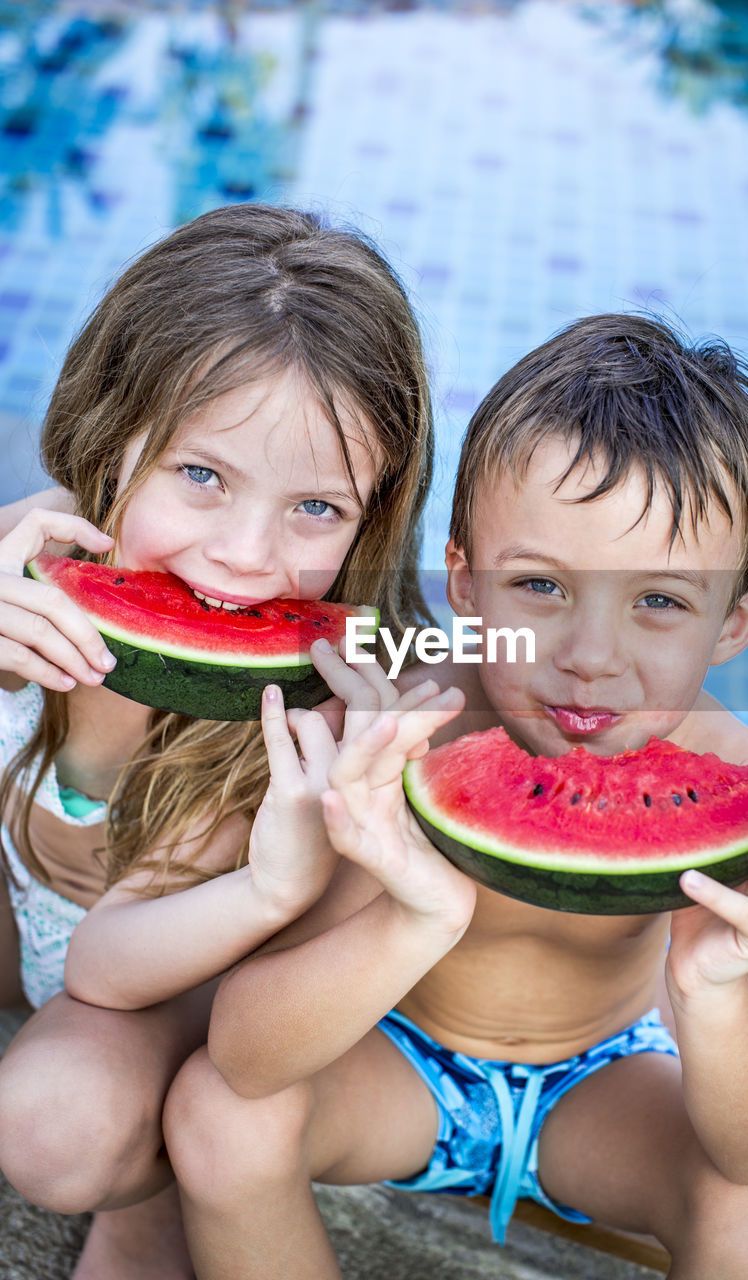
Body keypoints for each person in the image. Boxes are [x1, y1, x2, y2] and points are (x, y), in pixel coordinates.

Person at [164, 314, 748, 1280]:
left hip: (604, 1091)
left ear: (736, 620)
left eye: (659, 600)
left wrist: (712, 989)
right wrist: (412, 914)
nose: (590, 659)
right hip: (395, 1065)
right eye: (538, 585)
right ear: (463, 583)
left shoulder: (740, 782)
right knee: (217, 1113)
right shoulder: (411, 723)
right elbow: (245, 1054)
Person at [0, 201, 437, 1280]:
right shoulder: (28, 555)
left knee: (59, 1125)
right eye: (203, 475)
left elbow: (108, 969)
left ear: (374, 512)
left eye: (316, 509)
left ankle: (150, 1189)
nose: (246, 557)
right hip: (28, 919)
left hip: (162, 995)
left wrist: (271, 892)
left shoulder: (321, 697)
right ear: (109, 439)